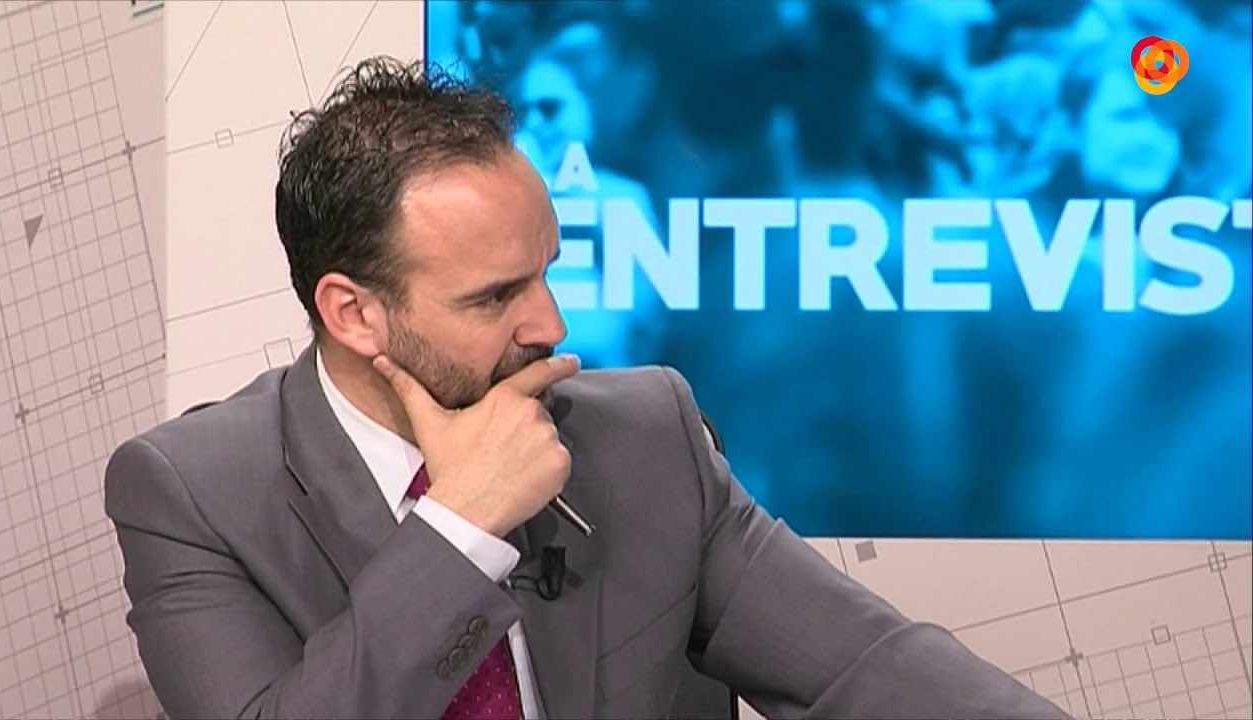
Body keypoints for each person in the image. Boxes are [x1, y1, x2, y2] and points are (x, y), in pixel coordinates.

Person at [104, 56, 1069, 720]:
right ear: (354, 314)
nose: (551, 325)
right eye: (495, 297)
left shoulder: (643, 435)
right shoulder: (191, 496)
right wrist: (462, 530)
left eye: (545, 272)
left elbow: (868, 669)